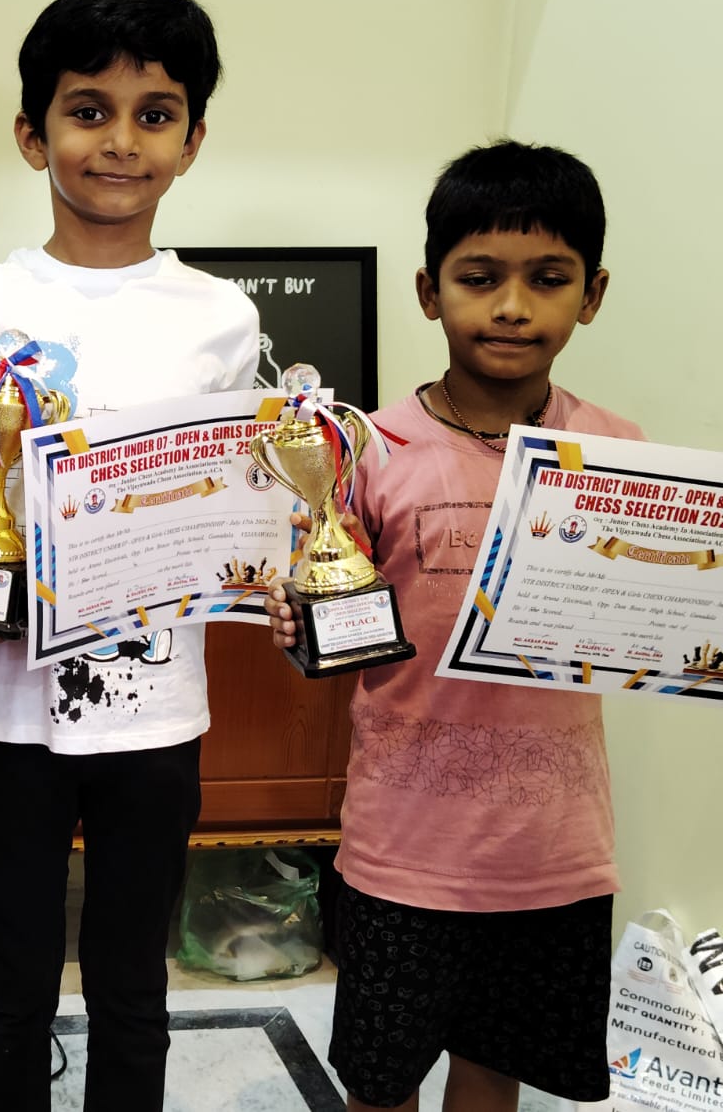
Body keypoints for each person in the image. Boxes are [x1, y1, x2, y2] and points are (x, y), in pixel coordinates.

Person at [0, 0, 260, 1110]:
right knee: (11, 972)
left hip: (155, 706)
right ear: (33, 135)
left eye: (154, 115)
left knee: (131, 977)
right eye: (88, 110)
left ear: (191, 142)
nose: (120, 141)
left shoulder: (223, 316)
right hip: (7, 705)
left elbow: (227, 500)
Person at [267, 140, 639, 1110]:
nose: (512, 305)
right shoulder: (369, 448)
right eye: (480, 278)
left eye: (547, 278)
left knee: (492, 1072)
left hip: (554, 849)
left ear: (591, 294)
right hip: (403, 850)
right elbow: (330, 635)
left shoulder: (617, 453)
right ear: (430, 292)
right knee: (380, 1084)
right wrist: (302, 623)